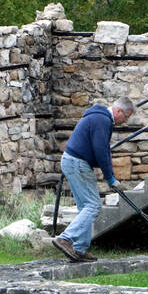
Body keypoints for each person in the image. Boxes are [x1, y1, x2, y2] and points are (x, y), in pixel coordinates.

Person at [52, 96, 135, 262]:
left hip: (72, 161)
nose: (125, 122)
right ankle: (65, 238)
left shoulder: (100, 118)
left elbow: (101, 149)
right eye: (126, 117)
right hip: (77, 163)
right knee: (93, 205)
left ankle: (80, 250)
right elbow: (101, 151)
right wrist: (110, 178)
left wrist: (109, 175)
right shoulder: (101, 120)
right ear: (118, 111)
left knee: (85, 207)